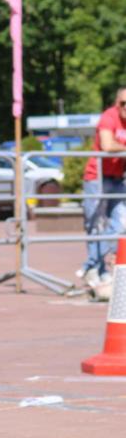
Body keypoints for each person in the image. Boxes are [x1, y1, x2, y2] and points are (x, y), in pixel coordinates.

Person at [82, 86, 126, 293]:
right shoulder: (108, 118)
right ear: (116, 104)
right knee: (95, 224)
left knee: (119, 223)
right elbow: (107, 145)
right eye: (123, 104)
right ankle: (95, 268)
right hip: (97, 176)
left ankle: (96, 265)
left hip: (118, 177)